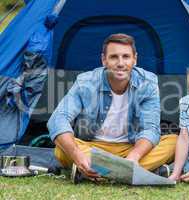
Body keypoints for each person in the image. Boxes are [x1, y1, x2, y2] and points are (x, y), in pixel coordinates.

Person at [47, 33, 177, 183]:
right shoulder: (86, 82)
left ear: (135, 59)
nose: (120, 63)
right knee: (62, 149)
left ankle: (97, 171)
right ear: (104, 60)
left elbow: (150, 128)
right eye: (114, 57)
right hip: (92, 146)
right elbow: (58, 119)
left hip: (130, 147)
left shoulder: (147, 83)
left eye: (126, 57)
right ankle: (133, 172)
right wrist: (77, 154)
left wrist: (133, 157)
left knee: (174, 143)